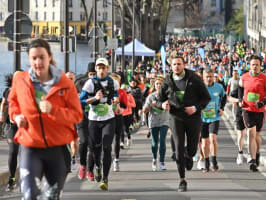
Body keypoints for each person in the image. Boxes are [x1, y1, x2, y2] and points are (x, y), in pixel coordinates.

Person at [8, 38, 83, 199]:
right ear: (29, 59)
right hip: (30, 146)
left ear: (49, 56)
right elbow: (12, 102)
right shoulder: (20, 80)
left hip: (56, 148)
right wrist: (16, 116)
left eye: (41, 57)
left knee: (50, 196)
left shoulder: (64, 83)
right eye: (34, 58)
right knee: (29, 195)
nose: (38, 62)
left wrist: (53, 110)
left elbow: (76, 114)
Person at [158, 56, 210, 192]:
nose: (176, 66)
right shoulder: (167, 81)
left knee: (192, 149)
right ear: (171, 66)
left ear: (184, 65)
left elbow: (206, 98)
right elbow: (159, 99)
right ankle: (182, 180)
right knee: (179, 149)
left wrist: (196, 108)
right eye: (174, 64)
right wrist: (162, 104)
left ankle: (188, 155)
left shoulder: (194, 79)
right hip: (176, 118)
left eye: (179, 64)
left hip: (193, 117)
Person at [80, 57, 120, 190]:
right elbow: (81, 101)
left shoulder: (113, 82)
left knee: (107, 147)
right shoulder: (90, 83)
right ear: (96, 69)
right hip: (94, 120)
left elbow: (116, 94)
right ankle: (97, 166)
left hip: (109, 119)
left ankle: (105, 179)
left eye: (103, 68)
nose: (101, 70)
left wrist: (116, 102)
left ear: (107, 69)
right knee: (95, 149)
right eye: (99, 68)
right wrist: (94, 99)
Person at [238, 55, 266, 172]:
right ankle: (252, 159)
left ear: (260, 66)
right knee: (250, 132)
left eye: (257, 65)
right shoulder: (244, 77)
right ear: (249, 65)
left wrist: (261, 103)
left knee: (257, 136)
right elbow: (239, 88)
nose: (254, 67)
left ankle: (257, 153)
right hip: (247, 109)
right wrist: (240, 100)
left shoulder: (264, 78)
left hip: (259, 111)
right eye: (253, 64)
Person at [201, 69, 226, 172]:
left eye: (210, 76)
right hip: (202, 118)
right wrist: (199, 108)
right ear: (203, 77)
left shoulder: (218, 87)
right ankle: (206, 162)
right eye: (207, 76)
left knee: (213, 139)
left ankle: (214, 161)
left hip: (214, 116)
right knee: (204, 142)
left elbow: (224, 97)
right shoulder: (200, 88)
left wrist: (222, 108)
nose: (209, 78)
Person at [143, 77, 169, 171]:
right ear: (154, 85)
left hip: (164, 121)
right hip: (153, 121)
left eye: (160, 84)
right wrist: (151, 105)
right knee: (155, 142)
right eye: (157, 84)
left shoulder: (167, 96)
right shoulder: (150, 97)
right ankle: (154, 159)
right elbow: (144, 110)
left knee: (162, 140)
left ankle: (162, 162)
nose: (159, 85)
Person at [77, 62, 96, 181]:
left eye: (95, 74)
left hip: (95, 118)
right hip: (82, 117)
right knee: (83, 142)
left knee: (93, 146)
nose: (93, 76)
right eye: (91, 74)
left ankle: (90, 170)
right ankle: (83, 165)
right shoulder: (80, 84)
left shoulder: (101, 84)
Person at [0, 73, 19, 192]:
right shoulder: (8, 91)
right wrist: (2, 116)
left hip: (27, 127)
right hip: (12, 126)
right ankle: (11, 180)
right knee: (13, 151)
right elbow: (3, 103)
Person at [66, 71, 79, 170]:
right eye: (67, 78)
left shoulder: (78, 90)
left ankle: (73, 158)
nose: (69, 80)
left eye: (71, 78)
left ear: (74, 80)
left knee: (74, 142)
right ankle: (66, 159)